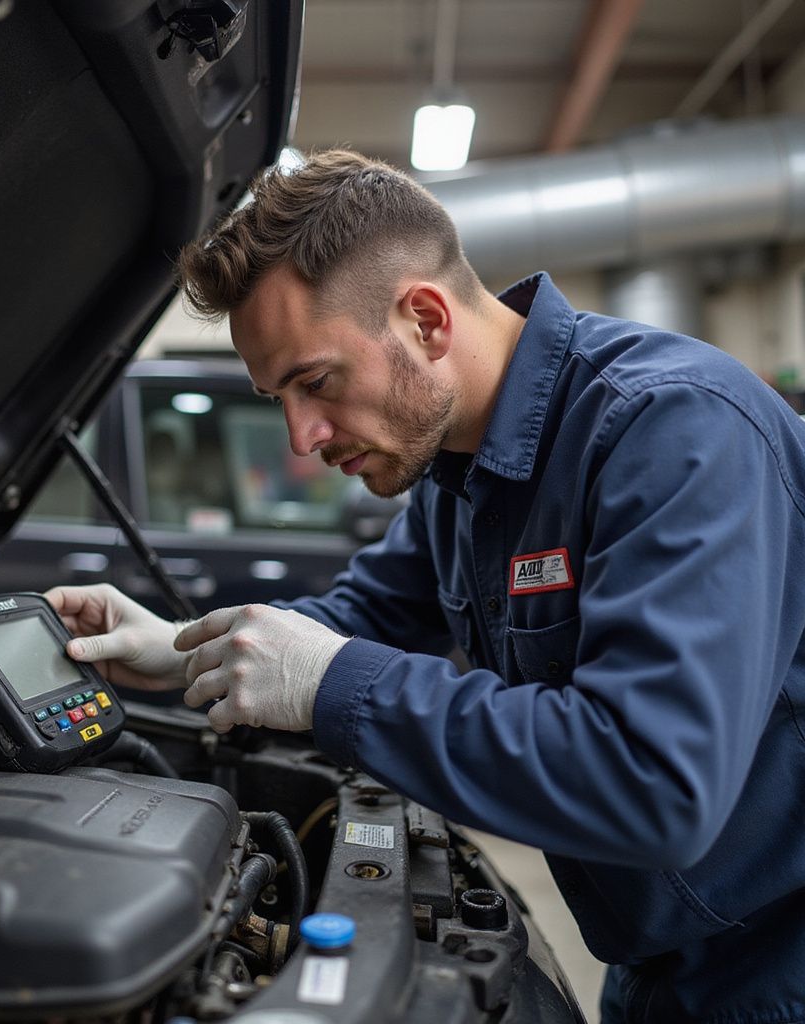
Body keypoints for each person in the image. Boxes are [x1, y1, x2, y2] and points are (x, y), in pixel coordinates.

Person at [46, 150, 805, 1023]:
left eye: (315, 381)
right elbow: (355, 622)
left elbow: (649, 781)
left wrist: (334, 684)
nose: (302, 438)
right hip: (662, 968)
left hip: (778, 967)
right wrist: (182, 649)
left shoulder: (674, 431)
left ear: (426, 319)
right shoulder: (456, 471)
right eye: (278, 399)